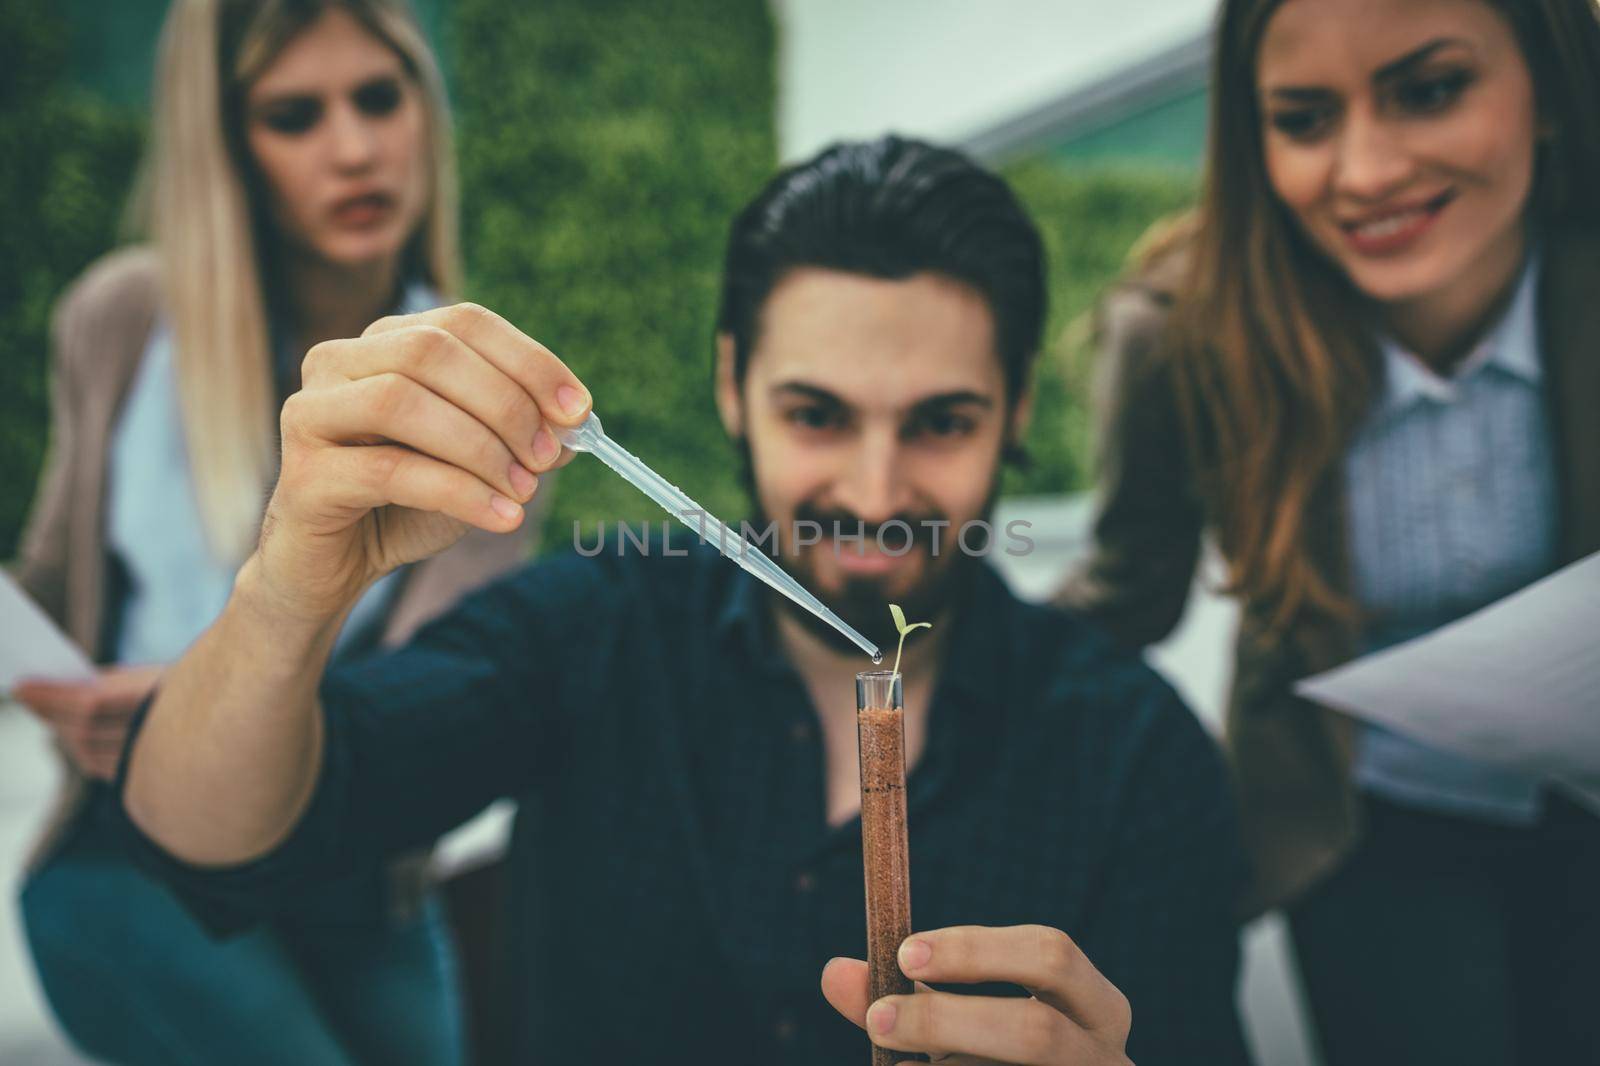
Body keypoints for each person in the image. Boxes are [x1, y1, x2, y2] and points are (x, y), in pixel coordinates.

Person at [109, 136, 1250, 1065]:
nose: (873, 489)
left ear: (1012, 415)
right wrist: (286, 592)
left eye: (941, 421)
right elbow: (209, 836)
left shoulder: (1136, 748)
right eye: (817, 413)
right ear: (728, 385)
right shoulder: (590, 632)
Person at [1057, 0, 1600, 1063]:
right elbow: (1125, 595)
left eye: (1429, 91)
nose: (1362, 171)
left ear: (1544, 85)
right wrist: (928, 653)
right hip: (1355, 823)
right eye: (1303, 119)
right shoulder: (1182, 338)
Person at [10, 1, 548, 1062]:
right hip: (119, 847)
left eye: (379, 98)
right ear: (227, 143)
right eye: (294, 115)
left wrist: (195, 703)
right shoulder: (121, 323)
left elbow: (435, 702)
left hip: (351, 863)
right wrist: (51, 682)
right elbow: (49, 582)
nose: (352, 148)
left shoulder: (476, 386)